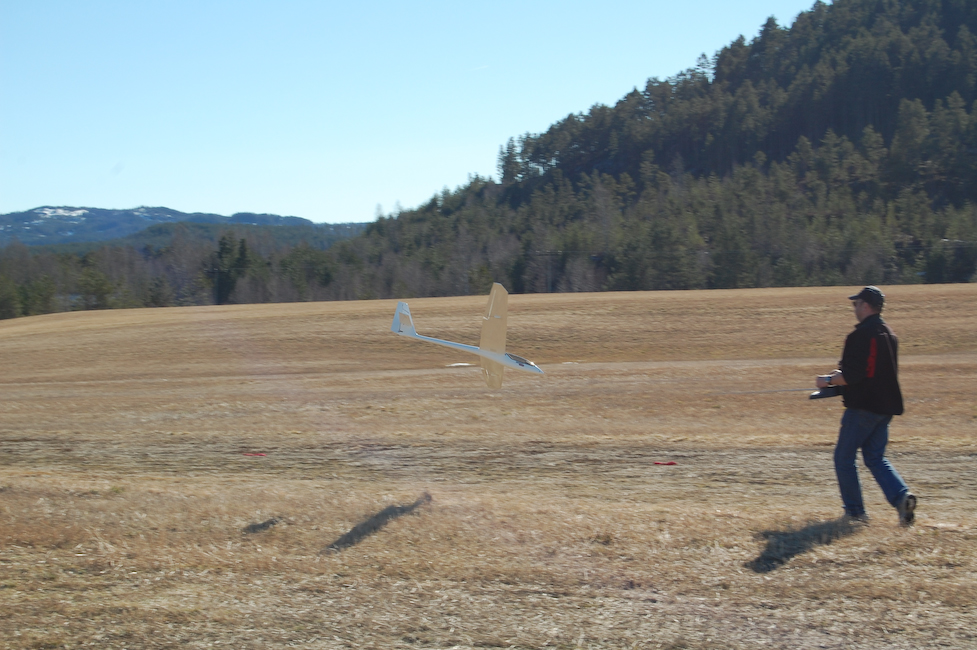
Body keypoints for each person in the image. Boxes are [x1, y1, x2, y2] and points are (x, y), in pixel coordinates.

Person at [816, 286, 916, 525]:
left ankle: (855, 513)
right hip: (885, 408)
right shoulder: (889, 334)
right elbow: (869, 370)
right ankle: (902, 498)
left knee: (843, 458)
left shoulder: (860, 335)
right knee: (874, 457)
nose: (854, 308)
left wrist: (828, 381)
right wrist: (839, 375)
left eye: (856, 303)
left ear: (866, 306)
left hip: (863, 408)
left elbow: (854, 375)